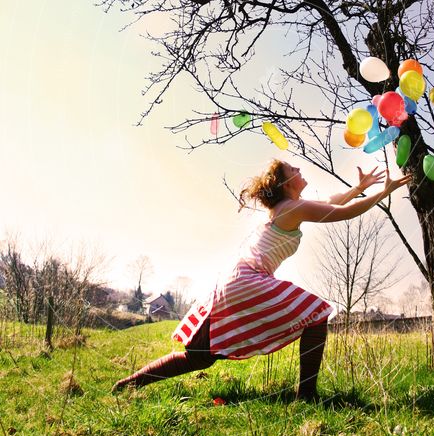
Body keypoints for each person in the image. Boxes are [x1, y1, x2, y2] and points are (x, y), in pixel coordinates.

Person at [112, 160, 411, 400]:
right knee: (317, 314)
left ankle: (130, 383)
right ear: (285, 183)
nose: (299, 170)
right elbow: (344, 212)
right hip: (248, 279)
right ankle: (306, 396)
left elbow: (330, 202)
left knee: (200, 357)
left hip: (232, 280)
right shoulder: (294, 208)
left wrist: (359, 187)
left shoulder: (286, 209)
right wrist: (382, 192)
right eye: (293, 170)